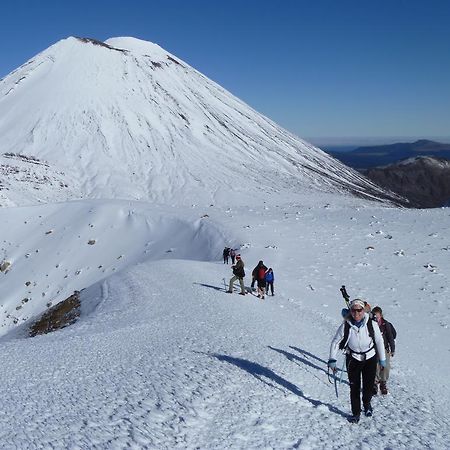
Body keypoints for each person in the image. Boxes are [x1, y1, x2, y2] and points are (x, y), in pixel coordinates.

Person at [328, 299, 386, 423]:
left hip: (370, 358)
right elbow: (335, 341)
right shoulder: (346, 325)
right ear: (350, 311)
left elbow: (379, 341)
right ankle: (356, 413)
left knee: (368, 386)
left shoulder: (371, 323)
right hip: (353, 359)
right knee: (354, 387)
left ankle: (367, 404)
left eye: (359, 310)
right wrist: (332, 359)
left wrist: (382, 360)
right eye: (353, 310)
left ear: (363, 310)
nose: (356, 313)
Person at [372, 306, 396, 395]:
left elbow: (391, 337)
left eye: (377, 316)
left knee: (385, 366)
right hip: (373, 349)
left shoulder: (386, 324)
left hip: (385, 348)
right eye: (374, 316)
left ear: (381, 315)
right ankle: (374, 383)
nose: (376, 318)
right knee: (375, 366)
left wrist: (392, 349)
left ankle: (383, 383)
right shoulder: (370, 324)